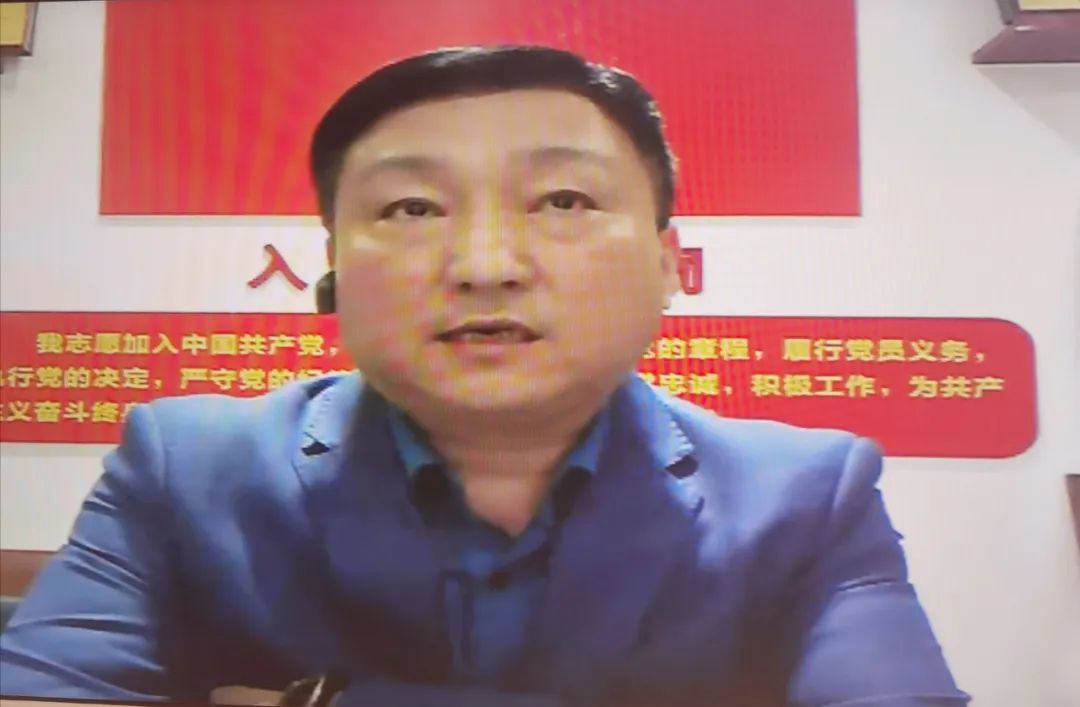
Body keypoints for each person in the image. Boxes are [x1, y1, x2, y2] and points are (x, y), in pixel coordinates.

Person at [0, 46, 969, 707]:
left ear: (669, 262)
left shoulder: (807, 492)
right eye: (413, 209)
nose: (485, 264)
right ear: (331, 267)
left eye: (563, 199)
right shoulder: (185, 464)